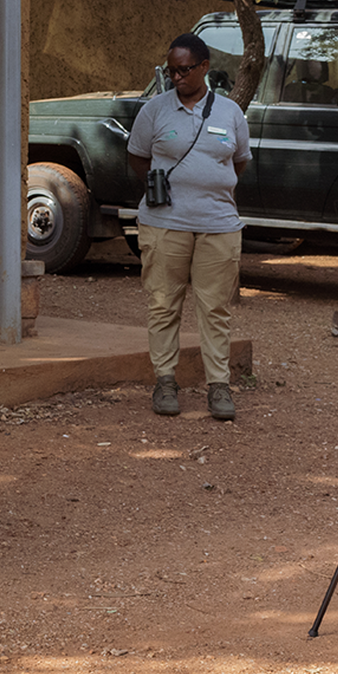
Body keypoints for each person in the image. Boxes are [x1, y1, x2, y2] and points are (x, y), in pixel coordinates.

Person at [128, 33, 252, 421]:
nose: (177, 77)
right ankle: (165, 382)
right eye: (171, 71)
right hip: (165, 224)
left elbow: (240, 161)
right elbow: (137, 157)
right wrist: (163, 186)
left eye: (184, 70)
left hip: (218, 225)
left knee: (214, 309)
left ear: (204, 68)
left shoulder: (230, 112)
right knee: (164, 304)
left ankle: (219, 386)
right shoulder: (155, 110)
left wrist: (209, 186)